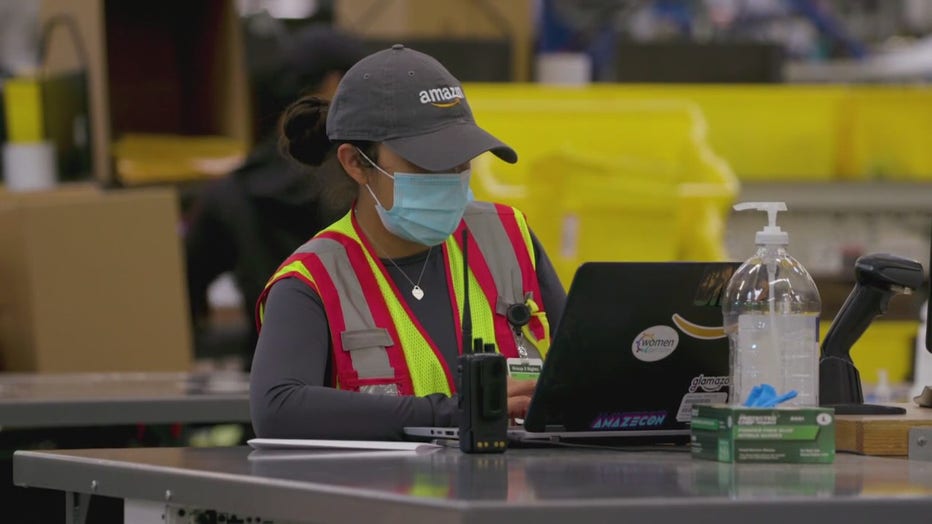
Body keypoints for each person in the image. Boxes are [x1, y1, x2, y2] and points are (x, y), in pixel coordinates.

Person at [250, 44, 567, 440]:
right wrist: (458, 413)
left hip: (518, 493)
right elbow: (278, 410)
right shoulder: (311, 281)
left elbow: (585, 365)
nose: (452, 175)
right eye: (428, 161)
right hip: (386, 500)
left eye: (462, 159)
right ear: (356, 163)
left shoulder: (509, 237)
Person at [184, 26, 366, 369]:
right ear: (334, 86)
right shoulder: (367, 183)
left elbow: (182, 297)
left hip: (265, 388)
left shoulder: (230, 193)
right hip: (363, 386)